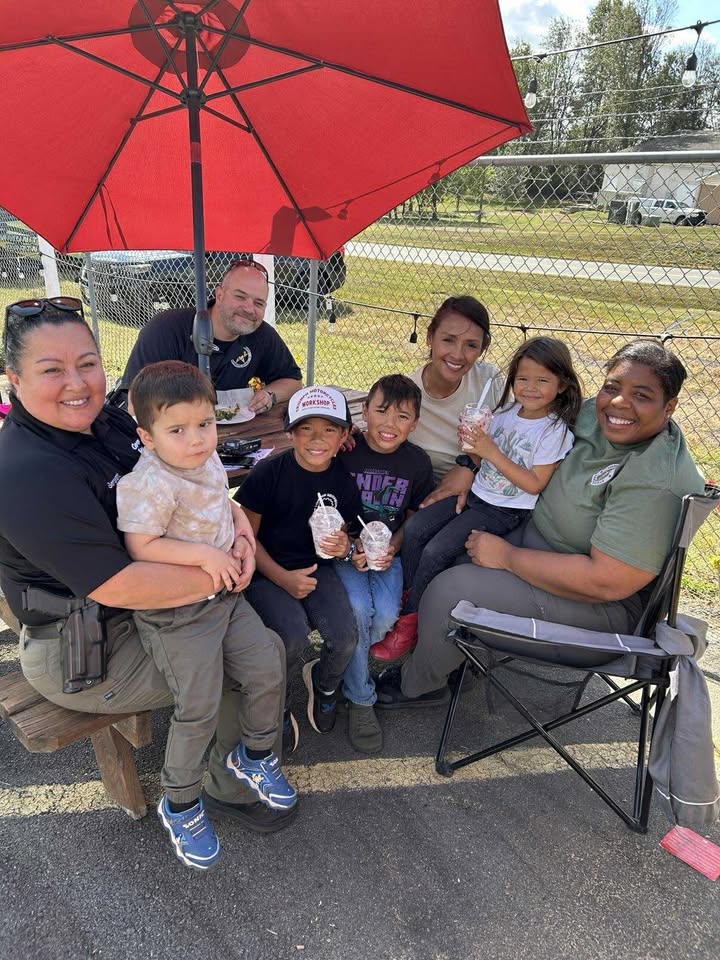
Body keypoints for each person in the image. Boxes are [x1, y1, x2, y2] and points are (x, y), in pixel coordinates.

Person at [0, 298, 296, 871]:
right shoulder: (26, 473)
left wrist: (235, 524)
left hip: (154, 601)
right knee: (232, 668)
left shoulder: (106, 419)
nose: (77, 383)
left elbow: (192, 483)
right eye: (51, 370)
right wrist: (225, 572)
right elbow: (117, 585)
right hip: (83, 643)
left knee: (267, 644)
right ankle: (210, 792)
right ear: (13, 380)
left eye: (87, 363)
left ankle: (246, 759)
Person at [374, 340, 706, 710]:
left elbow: (607, 581)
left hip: (600, 605)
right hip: (535, 537)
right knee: (443, 543)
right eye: (612, 387)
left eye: (641, 395)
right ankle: (451, 654)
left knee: (449, 589)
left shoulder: (656, 480)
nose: (618, 403)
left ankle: (422, 685)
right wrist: (468, 468)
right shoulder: (593, 417)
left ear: (670, 406)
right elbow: (523, 427)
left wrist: (507, 557)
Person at [115, 360, 296, 868]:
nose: (196, 439)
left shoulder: (205, 460)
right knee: (199, 707)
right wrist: (206, 556)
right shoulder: (149, 483)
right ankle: (180, 801)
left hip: (224, 598)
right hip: (178, 616)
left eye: (205, 424)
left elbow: (225, 503)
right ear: (147, 437)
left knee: (267, 662)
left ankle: (254, 754)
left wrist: (240, 533)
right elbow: (140, 544)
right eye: (177, 429)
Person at [374, 337, 582, 660]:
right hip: (475, 494)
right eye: (522, 379)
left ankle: (410, 623)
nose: (529, 388)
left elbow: (534, 484)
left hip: (505, 510)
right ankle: (408, 596)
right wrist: (472, 448)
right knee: (416, 529)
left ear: (563, 384)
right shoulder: (506, 413)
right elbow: (481, 458)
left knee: (436, 550)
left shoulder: (553, 430)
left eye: (542, 381)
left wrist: (490, 452)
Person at [366, 294, 503, 661]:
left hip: (481, 486)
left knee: (438, 547)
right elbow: (379, 427)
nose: (458, 354)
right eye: (448, 340)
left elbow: (508, 437)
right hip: (425, 489)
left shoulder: (490, 382)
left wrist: (469, 467)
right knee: (418, 534)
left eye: (471, 344)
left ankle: (416, 626)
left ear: (484, 348)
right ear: (429, 338)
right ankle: (408, 616)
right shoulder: (408, 394)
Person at [235, 385, 363, 750]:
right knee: (289, 639)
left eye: (329, 430)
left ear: (344, 436)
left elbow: (348, 536)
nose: (317, 439)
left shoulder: (342, 479)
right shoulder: (268, 474)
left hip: (315, 568)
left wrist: (345, 546)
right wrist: (281, 577)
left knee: (344, 637)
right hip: (267, 572)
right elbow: (246, 538)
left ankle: (323, 685)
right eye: (307, 429)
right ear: (290, 433)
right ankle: (275, 707)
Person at [334, 374, 434, 753]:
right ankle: (361, 698)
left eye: (403, 417)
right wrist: (350, 546)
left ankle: (340, 660)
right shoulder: (346, 450)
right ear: (363, 412)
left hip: (386, 553)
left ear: (415, 423)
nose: (390, 424)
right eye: (382, 412)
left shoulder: (416, 462)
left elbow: (411, 516)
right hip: (348, 553)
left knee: (384, 617)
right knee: (359, 609)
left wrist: (393, 545)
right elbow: (325, 503)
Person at [122, 260, 302, 414]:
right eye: (240, 297)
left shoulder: (261, 335)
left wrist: (269, 395)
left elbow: (293, 380)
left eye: (258, 303)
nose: (249, 309)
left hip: (231, 437)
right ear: (219, 294)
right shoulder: (167, 328)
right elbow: (136, 403)